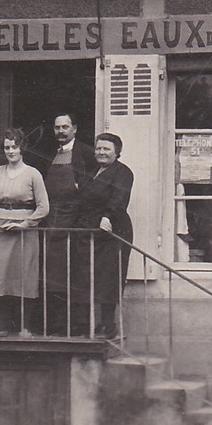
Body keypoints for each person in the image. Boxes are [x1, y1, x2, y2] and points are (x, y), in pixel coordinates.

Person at [0, 129, 50, 336]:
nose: (10, 151)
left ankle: (25, 326)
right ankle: (0, 326)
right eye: (7, 147)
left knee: (23, 277)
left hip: (24, 233)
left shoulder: (32, 174)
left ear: (22, 148)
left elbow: (44, 207)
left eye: (14, 147)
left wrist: (25, 224)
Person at [39, 112, 98, 336]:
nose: (60, 132)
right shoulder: (49, 153)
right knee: (54, 275)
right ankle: (56, 324)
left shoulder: (86, 153)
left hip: (75, 221)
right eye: (57, 128)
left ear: (74, 128)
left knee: (76, 274)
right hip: (53, 220)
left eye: (65, 127)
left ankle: (79, 325)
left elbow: (93, 188)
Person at [80, 132, 135, 338]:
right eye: (99, 148)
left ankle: (109, 325)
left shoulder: (123, 172)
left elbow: (119, 198)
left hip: (113, 229)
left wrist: (107, 217)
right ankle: (93, 324)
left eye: (106, 149)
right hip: (91, 230)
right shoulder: (93, 171)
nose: (101, 152)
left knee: (109, 276)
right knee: (91, 276)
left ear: (117, 152)